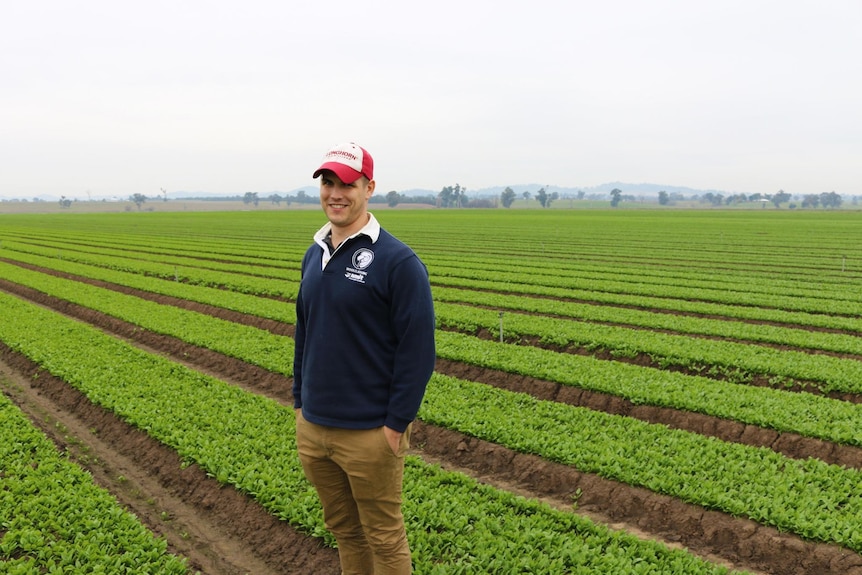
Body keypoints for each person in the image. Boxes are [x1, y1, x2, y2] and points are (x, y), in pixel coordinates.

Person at [293, 142, 436, 574]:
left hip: (370, 433)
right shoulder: (314, 253)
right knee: (344, 530)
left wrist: (395, 425)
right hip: (315, 428)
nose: (335, 193)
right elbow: (305, 331)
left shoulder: (397, 261)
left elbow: (418, 351)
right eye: (328, 182)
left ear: (369, 188)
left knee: (385, 538)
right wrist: (300, 402)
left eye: (347, 184)